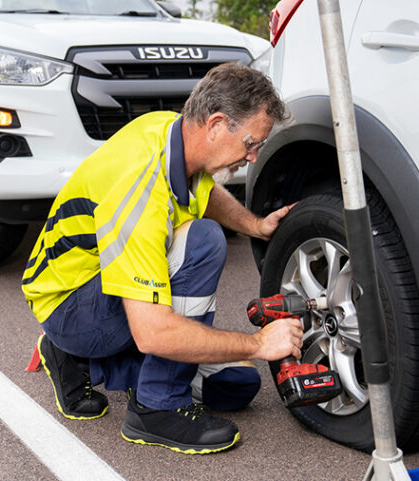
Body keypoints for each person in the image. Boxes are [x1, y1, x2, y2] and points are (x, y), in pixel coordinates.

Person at [21, 62, 302, 454]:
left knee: (237, 386)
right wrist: (257, 343)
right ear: (217, 125)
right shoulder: (139, 190)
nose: (253, 157)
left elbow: (201, 189)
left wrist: (253, 225)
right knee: (202, 241)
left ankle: (82, 360)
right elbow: (153, 333)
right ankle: (156, 407)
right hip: (68, 303)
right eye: (252, 143)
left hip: (96, 284)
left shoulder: (173, 131)